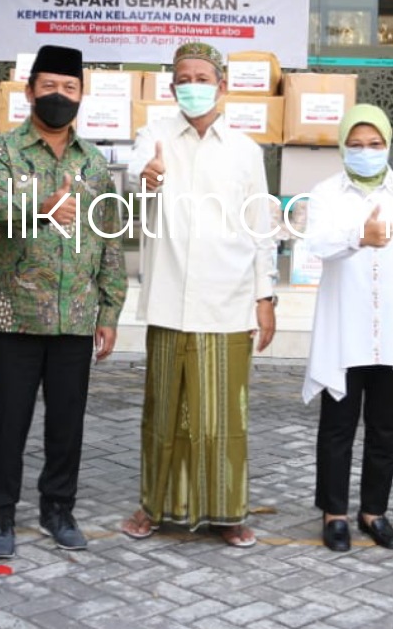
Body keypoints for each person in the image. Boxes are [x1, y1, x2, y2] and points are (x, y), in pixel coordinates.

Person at [120, 41, 278, 548]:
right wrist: (146, 177)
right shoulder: (155, 136)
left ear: (222, 85)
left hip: (228, 300)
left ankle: (227, 512)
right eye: (183, 79)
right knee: (163, 414)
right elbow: (134, 178)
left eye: (202, 78)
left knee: (222, 417)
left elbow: (262, 226)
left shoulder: (245, 151)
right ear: (172, 88)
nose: (192, 86)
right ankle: (153, 507)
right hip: (169, 299)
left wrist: (265, 297)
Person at [0, 44, 127, 560]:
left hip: (76, 316)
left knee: (67, 422)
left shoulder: (94, 165)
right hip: (14, 313)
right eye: (49, 86)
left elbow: (110, 241)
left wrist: (109, 312)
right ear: (29, 91)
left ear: (81, 95)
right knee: (8, 420)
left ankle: (58, 508)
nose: (59, 96)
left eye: (69, 88)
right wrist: (39, 206)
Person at [302, 104, 393, 552]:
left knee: (386, 427)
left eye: (375, 144)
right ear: (343, 146)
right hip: (346, 328)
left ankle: (373, 512)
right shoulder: (326, 193)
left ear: (388, 144)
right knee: (338, 426)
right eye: (356, 144)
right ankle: (334, 514)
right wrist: (358, 237)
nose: (365, 152)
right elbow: (316, 244)